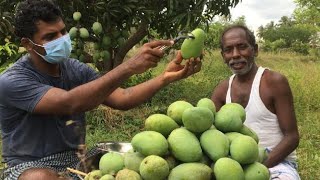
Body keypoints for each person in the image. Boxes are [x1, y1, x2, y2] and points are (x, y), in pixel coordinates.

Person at [0, 0, 202, 179]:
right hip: (30, 166)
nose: (62, 39)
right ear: (27, 44)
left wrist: (164, 78)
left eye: (63, 31)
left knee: (133, 160)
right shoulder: (12, 80)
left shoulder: (74, 68)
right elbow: (69, 103)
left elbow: (122, 98)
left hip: (78, 159)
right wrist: (129, 66)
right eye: (51, 36)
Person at [211, 25, 300, 179]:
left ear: (255, 50)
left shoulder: (274, 82)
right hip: (236, 164)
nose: (235, 55)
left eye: (242, 47)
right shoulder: (222, 89)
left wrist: (257, 170)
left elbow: (291, 137)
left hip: (276, 162)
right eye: (228, 50)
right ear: (223, 56)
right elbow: (208, 128)